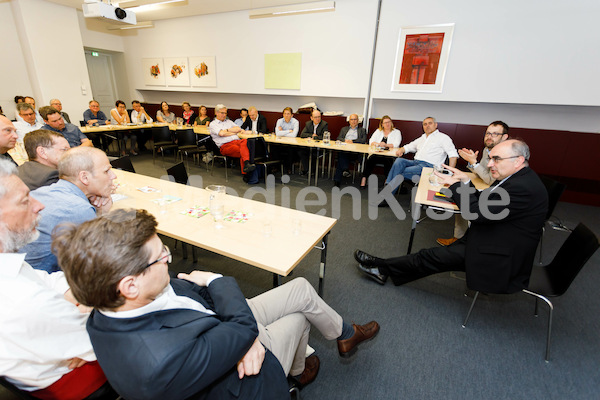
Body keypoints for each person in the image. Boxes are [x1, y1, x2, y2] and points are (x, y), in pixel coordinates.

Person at [55, 208, 380, 399]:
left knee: (299, 289)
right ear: (129, 284)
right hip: (240, 377)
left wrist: (241, 334)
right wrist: (218, 285)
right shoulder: (157, 363)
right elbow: (220, 302)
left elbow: (198, 297)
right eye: (161, 257)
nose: (169, 259)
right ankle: (296, 372)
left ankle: (345, 333)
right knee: (297, 319)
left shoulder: (114, 303)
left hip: (219, 326)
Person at [355, 139, 549, 296]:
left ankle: (381, 266)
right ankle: (383, 269)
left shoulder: (522, 188)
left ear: (518, 160)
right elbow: (484, 201)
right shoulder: (518, 179)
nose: (490, 164)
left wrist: (456, 186)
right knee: (432, 257)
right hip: (493, 235)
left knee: (430, 256)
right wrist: (464, 181)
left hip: (499, 254)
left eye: (496, 159)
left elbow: (474, 213)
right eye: (490, 158)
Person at [0, 159, 115, 399]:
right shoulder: (24, 301)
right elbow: (102, 336)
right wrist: (95, 307)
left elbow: (47, 281)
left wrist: (84, 302)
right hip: (75, 382)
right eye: (25, 201)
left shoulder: (9, 269)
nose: (39, 205)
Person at [19, 147, 116, 272]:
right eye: (107, 171)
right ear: (84, 177)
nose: (113, 176)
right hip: (45, 283)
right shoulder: (78, 209)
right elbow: (101, 261)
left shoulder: (45, 192)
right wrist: (102, 215)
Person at [436, 121, 509, 246]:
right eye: (488, 133)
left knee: (465, 198)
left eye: (495, 134)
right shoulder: (488, 149)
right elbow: (482, 172)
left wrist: (474, 164)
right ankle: (459, 238)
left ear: (504, 137)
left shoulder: (505, 155)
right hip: (487, 186)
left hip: (501, 196)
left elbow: (490, 179)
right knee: (462, 196)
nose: (489, 137)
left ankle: (469, 243)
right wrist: (472, 163)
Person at [384, 117, 458, 194]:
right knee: (399, 161)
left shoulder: (443, 138)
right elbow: (409, 146)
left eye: (430, 123)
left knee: (398, 171)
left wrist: (450, 174)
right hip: (416, 163)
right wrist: (401, 150)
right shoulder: (422, 138)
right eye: (425, 124)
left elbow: (453, 155)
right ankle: (388, 185)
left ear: (436, 125)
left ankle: (387, 192)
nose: (427, 126)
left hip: (429, 167)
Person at [209, 104, 256, 176]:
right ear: (216, 113)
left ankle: (247, 167)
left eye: (225, 113)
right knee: (245, 150)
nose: (224, 115)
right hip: (225, 146)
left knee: (246, 141)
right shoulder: (213, 124)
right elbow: (221, 134)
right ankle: (247, 172)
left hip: (237, 141)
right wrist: (232, 132)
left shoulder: (229, 121)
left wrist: (227, 130)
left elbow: (239, 129)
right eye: (222, 113)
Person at [359, 115, 402, 189]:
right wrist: (379, 144)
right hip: (377, 153)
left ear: (391, 123)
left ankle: (387, 181)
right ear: (382, 124)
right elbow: (371, 141)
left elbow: (396, 144)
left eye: (389, 122)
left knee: (388, 162)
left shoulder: (396, 132)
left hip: (389, 155)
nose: (387, 124)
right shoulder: (378, 131)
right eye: (385, 123)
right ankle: (364, 179)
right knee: (370, 160)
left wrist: (385, 145)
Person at [334, 113, 367, 187]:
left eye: (355, 119)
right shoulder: (344, 129)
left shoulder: (362, 130)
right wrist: (345, 140)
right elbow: (339, 138)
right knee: (341, 155)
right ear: (349, 121)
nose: (353, 121)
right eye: (351, 119)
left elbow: (363, 140)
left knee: (341, 159)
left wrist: (353, 141)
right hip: (344, 150)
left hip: (355, 153)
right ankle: (344, 170)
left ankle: (338, 178)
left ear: (358, 121)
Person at [298, 109, 328, 175]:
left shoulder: (324, 124)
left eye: (319, 117)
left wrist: (314, 137)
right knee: (301, 152)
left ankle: (312, 171)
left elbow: (324, 137)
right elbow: (302, 134)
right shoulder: (308, 124)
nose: (318, 119)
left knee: (313, 153)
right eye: (315, 117)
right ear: (311, 118)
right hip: (309, 146)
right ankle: (307, 170)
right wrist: (312, 135)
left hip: (319, 147)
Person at [274, 107, 300, 173]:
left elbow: (294, 135)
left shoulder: (295, 122)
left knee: (290, 149)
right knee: (274, 147)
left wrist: (282, 132)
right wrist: (289, 131)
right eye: (285, 114)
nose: (286, 115)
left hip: (291, 143)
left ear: (292, 115)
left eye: (288, 114)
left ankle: (289, 168)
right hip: (280, 142)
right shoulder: (279, 121)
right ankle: (276, 167)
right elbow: (277, 133)